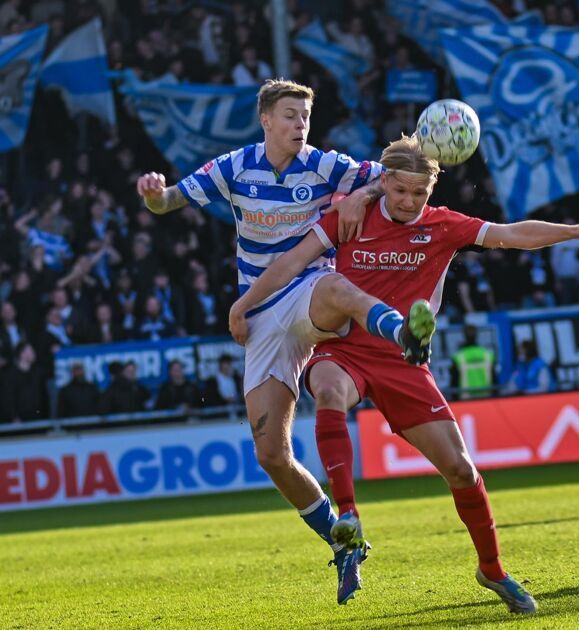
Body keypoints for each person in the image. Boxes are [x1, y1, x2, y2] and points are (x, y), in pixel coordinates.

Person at [228, 133, 579, 614]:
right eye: (400, 190)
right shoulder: (351, 217)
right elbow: (290, 262)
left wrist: (575, 230)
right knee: (328, 390)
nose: (409, 201)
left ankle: (492, 569)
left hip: (403, 362)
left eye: (419, 192)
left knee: (461, 470)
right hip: (344, 348)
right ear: (385, 182)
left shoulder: (443, 225)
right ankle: (348, 515)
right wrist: (245, 304)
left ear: (431, 190)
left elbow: (512, 233)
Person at [136, 78, 436, 605]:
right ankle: (343, 541)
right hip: (261, 313)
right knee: (272, 454)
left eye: (306, 116)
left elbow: (391, 179)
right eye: (291, 116)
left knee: (334, 285)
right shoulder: (234, 167)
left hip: (308, 290)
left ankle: (405, 332)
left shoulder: (323, 164)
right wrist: (154, 194)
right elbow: (168, 203)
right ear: (266, 121)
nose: (301, 125)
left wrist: (360, 195)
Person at [450, 324, 496, 400]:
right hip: (487, 399)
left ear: (464, 336)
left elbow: (454, 383)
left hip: (465, 401)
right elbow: (495, 381)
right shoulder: (487, 355)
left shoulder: (458, 357)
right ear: (477, 335)